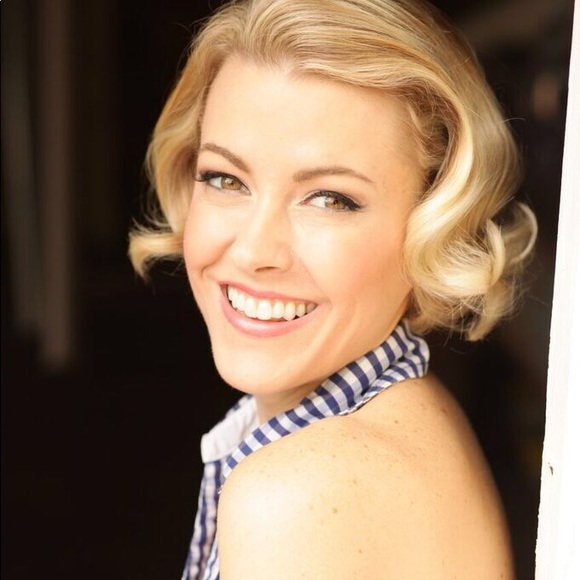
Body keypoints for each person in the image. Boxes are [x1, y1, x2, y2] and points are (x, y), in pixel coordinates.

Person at [128, 0, 537, 578]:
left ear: (434, 219)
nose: (253, 251)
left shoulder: (298, 494)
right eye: (226, 179)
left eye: (329, 199)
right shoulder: (409, 411)